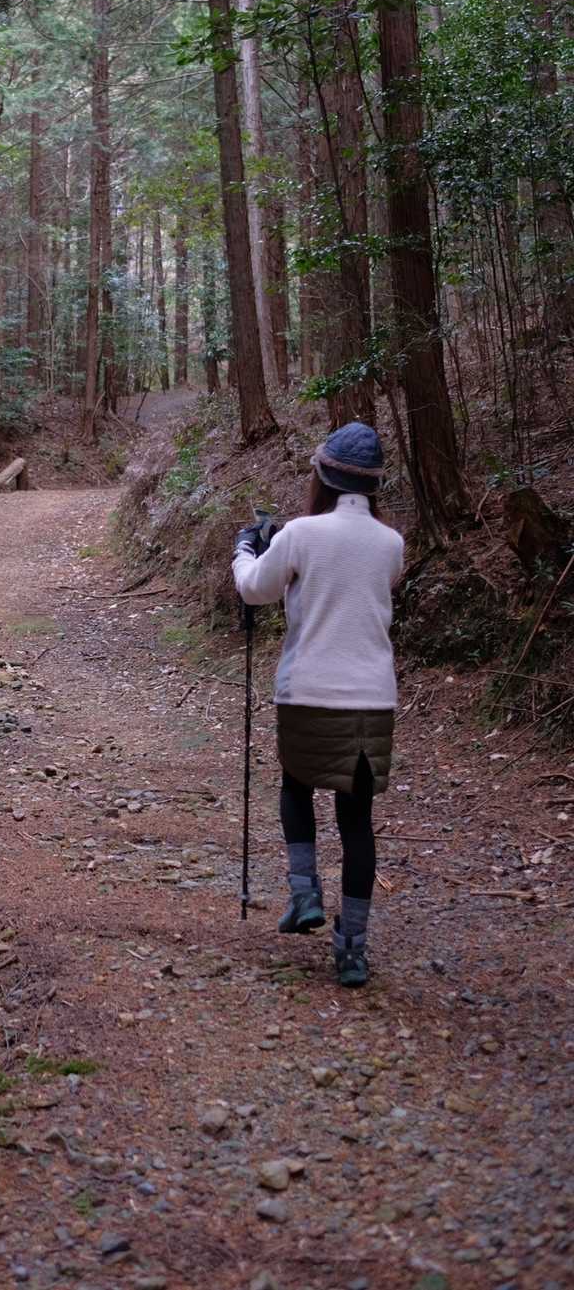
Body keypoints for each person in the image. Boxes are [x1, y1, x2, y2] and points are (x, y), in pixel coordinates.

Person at [232, 422, 404, 987]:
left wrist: (245, 549)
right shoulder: (391, 543)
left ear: (323, 476)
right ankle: (352, 950)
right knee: (357, 822)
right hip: (371, 700)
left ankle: (304, 892)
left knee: (295, 785)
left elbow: (255, 587)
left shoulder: (300, 534)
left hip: (307, 690)